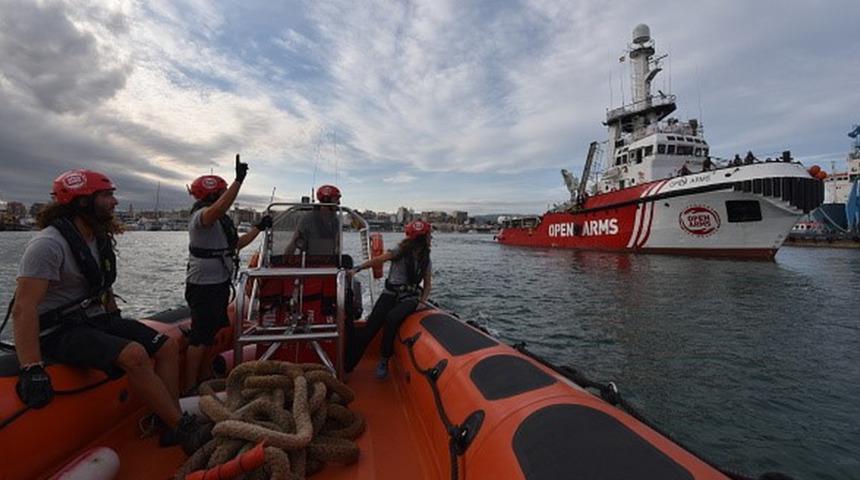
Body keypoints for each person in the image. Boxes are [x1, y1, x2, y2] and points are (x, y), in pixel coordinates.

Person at [12, 169, 208, 454]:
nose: (114, 202)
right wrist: (31, 368)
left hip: (95, 319)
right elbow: (23, 307)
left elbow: (101, 286)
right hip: (58, 332)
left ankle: (170, 421)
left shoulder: (95, 237)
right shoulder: (48, 245)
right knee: (135, 354)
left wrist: (116, 321)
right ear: (81, 202)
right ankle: (183, 429)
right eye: (106, 195)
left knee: (166, 347)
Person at [184, 156, 271, 392]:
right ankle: (190, 385)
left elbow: (236, 245)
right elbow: (217, 209)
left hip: (220, 282)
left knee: (211, 333)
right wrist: (238, 181)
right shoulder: (201, 218)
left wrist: (259, 228)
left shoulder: (220, 222)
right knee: (200, 335)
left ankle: (204, 376)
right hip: (203, 284)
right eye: (222, 194)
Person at [345, 220, 432, 379]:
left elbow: (427, 284)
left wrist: (421, 301)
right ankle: (347, 365)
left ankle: (384, 359)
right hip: (390, 293)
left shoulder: (426, 260)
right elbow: (379, 260)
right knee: (370, 328)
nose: (428, 239)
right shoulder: (400, 251)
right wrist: (358, 269)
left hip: (410, 298)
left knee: (392, 318)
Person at [284, 184, 341, 256]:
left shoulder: (335, 220)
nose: (339, 203)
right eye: (336, 199)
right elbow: (293, 244)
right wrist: (285, 260)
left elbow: (337, 246)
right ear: (326, 200)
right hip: (309, 263)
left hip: (329, 263)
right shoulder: (308, 219)